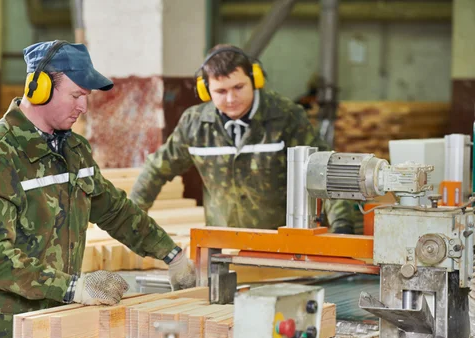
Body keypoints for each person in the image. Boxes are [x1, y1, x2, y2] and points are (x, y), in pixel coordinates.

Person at [0, 40, 196, 338]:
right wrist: (73, 288)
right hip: (2, 331)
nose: (83, 107)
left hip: (55, 320)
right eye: (76, 95)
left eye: (87, 97)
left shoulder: (73, 150)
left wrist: (172, 254)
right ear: (39, 88)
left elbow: (114, 210)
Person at [130, 44, 354, 232]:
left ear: (255, 80)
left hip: (281, 244)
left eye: (238, 87)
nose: (230, 98)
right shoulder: (195, 124)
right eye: (220, 91)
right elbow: (156, 170)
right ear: (206, 90)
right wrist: (133, 223)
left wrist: (342, 226)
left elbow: (324, 169)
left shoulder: (286, 116)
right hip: (222, 246)